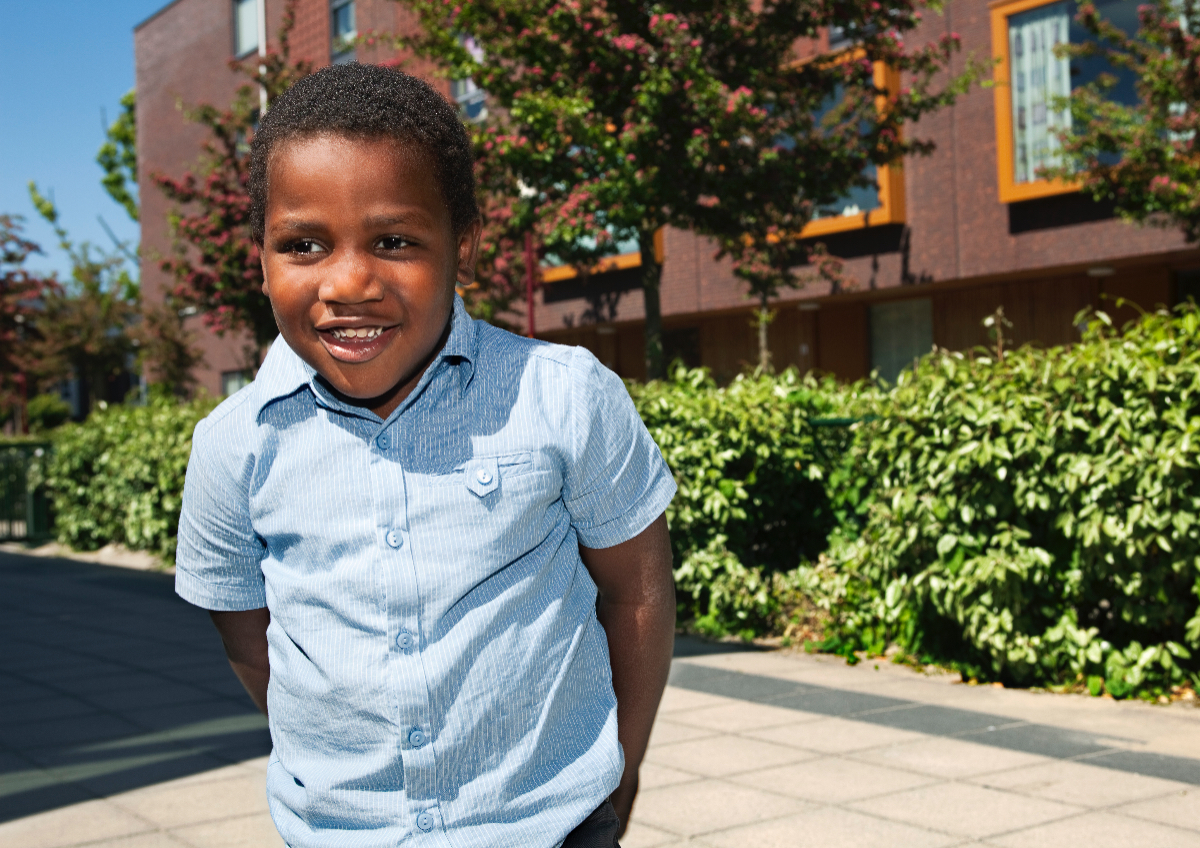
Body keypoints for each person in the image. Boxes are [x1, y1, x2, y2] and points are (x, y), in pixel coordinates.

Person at [174, 62, 677, 848]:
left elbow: (636, 593)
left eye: (394, 241)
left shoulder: (565, 397)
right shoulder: (231, 446)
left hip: (552, 827)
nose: (349, 282)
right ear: (261, 261)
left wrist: (623, 765)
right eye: (303, 244)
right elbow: (250, 638)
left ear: (462, 247)